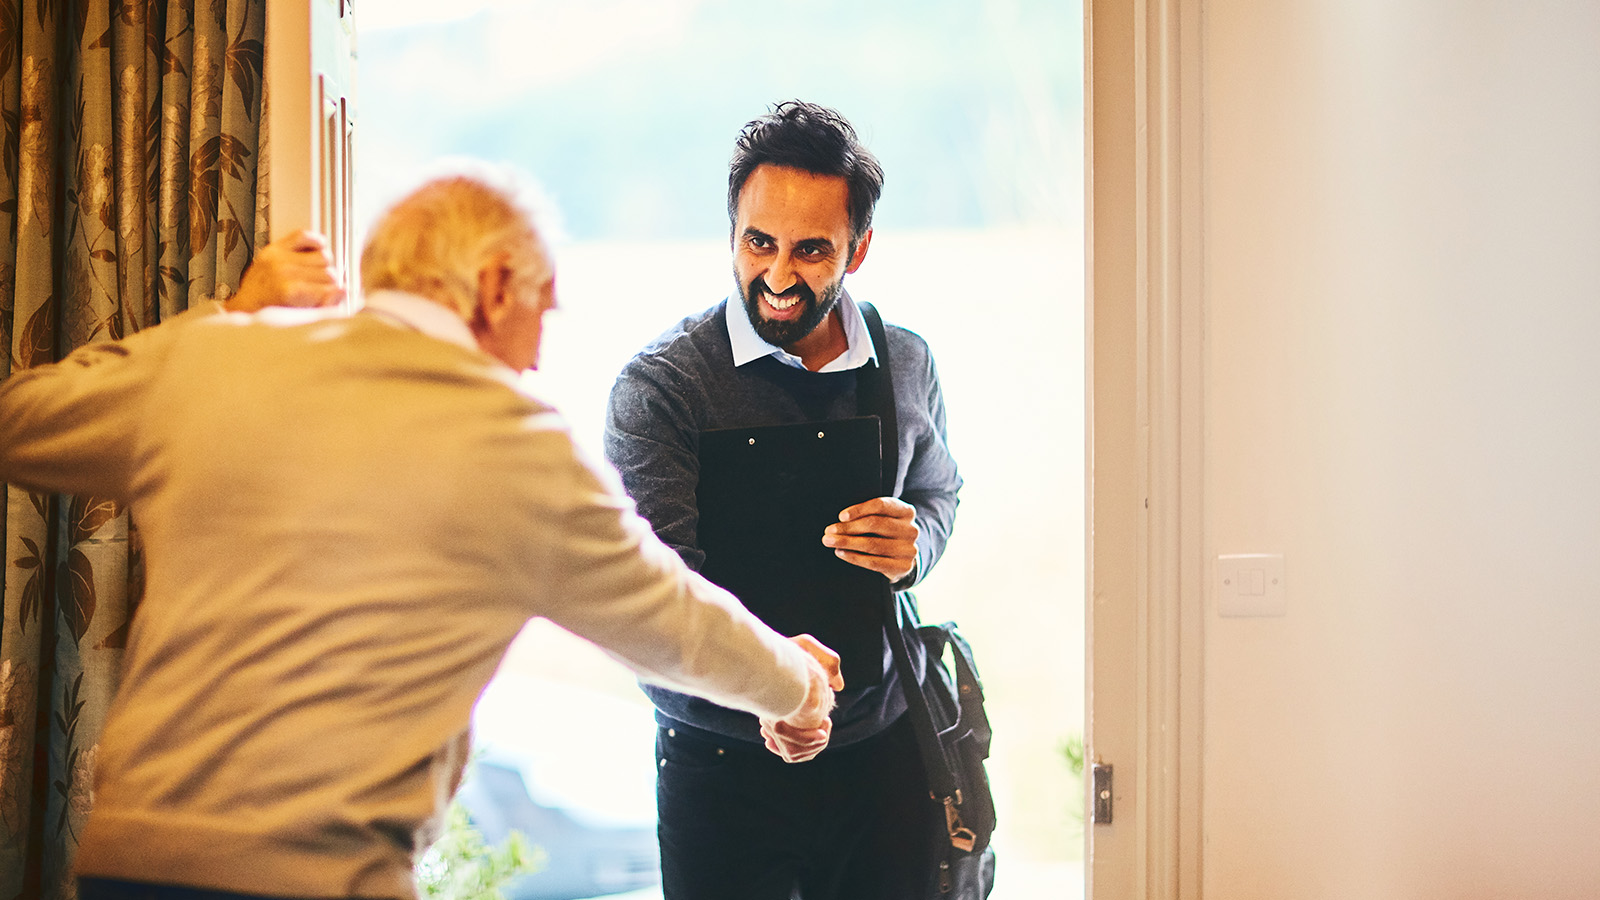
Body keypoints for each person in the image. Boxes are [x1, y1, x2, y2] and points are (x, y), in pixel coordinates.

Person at [0, 169, 843, 900]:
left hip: (128, 872)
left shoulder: (215, 360)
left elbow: (22, 422)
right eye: (542, 313)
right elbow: (675, 624)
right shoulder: (516, 444)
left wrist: (231, 317)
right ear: (495, 283)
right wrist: (799, 683)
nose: (538, 357)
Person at [605, 100, 963, 900]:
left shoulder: (905, 361)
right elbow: (647, 609)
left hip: (885, 755)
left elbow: (939, 491)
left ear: (858, 248)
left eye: (810, 251)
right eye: (758, 242)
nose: (776, 276)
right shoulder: (662, 389)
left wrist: (918, 548)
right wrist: (769, 695)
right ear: (730, 230)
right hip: (721, 765)